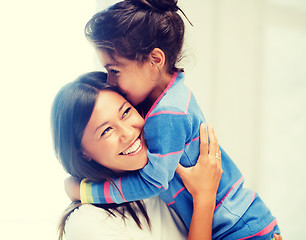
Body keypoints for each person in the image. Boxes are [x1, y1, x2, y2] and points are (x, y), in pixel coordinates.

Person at [66, 0, 282, 239]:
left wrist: (85, 191)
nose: (110, 81)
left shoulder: (167, 114)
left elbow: (152, 183)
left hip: (239, 228)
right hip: (242, 220)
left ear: (155, 60)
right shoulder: (174, 93)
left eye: (115, 70)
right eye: (106, 130)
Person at [51, 71, 224, 240]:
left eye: (126, 112)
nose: (128, 132)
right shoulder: (87, 223)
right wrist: (204, 199)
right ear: (83, 154)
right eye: (106, 130)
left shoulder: (165, 170)